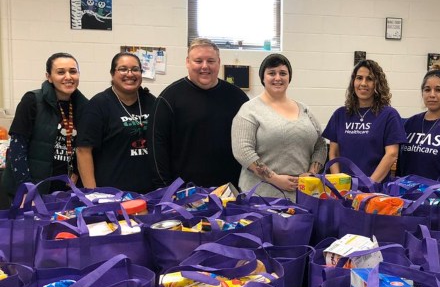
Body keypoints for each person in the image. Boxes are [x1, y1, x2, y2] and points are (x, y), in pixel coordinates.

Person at [150, 38, 249, 188]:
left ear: (218, 62)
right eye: (198, 61)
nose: (205, 66)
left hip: (230, 191)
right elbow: (157, 148)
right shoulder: (169, 98)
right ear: (187, 62)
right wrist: (166, 190)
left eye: (210, 61)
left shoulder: (238, 97)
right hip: (184, 195)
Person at [231, 54, 326, 200]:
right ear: (263, 77)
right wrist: (275, 179)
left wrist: (312, 174)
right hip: (261, 196)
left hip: (302, 195)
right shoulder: (250, 110)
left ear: (289, 77)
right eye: (271, 73)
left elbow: (320, 145)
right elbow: (242, 150)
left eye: (283, 73)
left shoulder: (305, 110)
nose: (277, 78)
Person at [1, 52, 88, 196]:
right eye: (60, 72)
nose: (68, 77)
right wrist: (26, 190)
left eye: (73, 71)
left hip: (66, 188)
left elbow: (83, 148)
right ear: (49, 77)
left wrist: (77, 172)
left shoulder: (84, 106)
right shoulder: (32, 100)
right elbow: (17, 148)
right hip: (32, 186)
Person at [75, 52, 156, 193]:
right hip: (110, 194)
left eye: (135, 69)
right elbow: (83, 150)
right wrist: (92, 193)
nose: (130, 74)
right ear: (112, 74)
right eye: (123, 69)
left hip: (148, 193)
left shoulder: (152, 102)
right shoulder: (98, 105)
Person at [323, 59, 406, 183]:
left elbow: (392, 154)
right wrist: (339, 184)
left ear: (378, 84)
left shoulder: (389, 115)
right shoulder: (340, 114)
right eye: (359, 78)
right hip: (345, 191)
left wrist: (369, 185)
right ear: (353, 82)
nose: (363, 83)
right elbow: (334, 153)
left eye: (369, 79)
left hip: (375, 190)